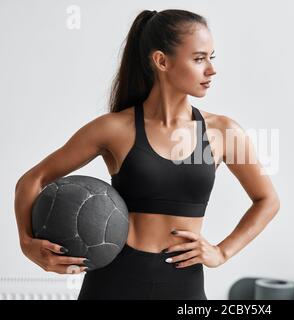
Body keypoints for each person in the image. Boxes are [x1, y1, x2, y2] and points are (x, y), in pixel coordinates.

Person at [14, 9, 280, 300]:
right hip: (113, 282)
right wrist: (28, 245)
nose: (211, 70)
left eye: (211, 58)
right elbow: (32, 180)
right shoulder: (114, 129)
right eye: (199, 58)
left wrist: (222, 252)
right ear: (161, 61)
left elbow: (267, 200)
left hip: (183, 287)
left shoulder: (224, 131)